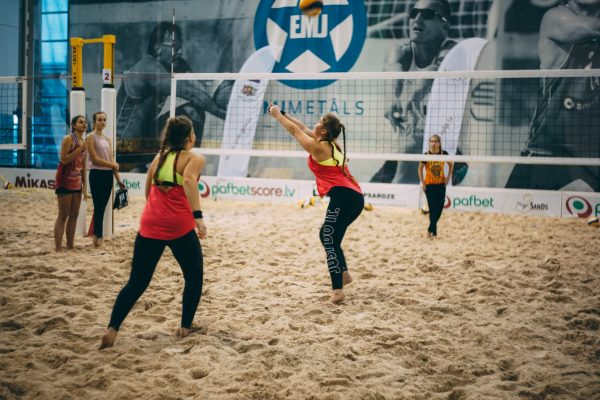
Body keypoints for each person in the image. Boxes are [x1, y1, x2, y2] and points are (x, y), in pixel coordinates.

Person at [100, 116, 207, 349]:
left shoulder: (160, 157)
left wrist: (158, 209)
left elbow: (148, 190)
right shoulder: (195, 158)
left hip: (150, 222)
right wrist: (198, 217)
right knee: (194, 276)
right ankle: (185, 327)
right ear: (189, 137)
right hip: (178, 225)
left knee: (137, 282)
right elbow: (189, 181)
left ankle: (112, 329)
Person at [268, 104, 364, 304]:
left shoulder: (319, 147)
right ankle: (344, 273)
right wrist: (286, 114)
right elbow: (302, 127)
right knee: (329, 236)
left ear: (324, 130)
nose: (316, 123)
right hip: (355, 198)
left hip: (344, 196)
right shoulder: (331, 145)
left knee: (328, 237)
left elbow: (296, 131)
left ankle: (338, 291)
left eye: (320, 122)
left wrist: (277, 115)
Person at [505, 0, 600, 191]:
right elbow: (592, 28)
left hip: (589, 158)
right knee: (507, 210)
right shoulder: (555, 18)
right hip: (548, 154)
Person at [116, 21, 226, 171]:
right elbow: (192, 93)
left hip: (146, 142)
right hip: (125, 148)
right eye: (175, 47)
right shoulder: (148, 67)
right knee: (189, 110)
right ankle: (165, 170)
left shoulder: (174, 65)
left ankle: (182, 169)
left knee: (193, 111)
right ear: (158, 49)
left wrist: (225, 95)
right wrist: (225, 114)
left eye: (180, 47)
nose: (180, 52)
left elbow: (199, 88)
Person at [371, 0, 456, 184]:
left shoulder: (451, 51)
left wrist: (411, 96)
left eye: (428, 14)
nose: (417, 19)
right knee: (375, 191)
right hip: (411, 140)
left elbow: (432, 73)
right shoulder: (402, 51)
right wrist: (393, 98)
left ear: (444, 25)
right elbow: (394, 72)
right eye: (414, 13)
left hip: (444, 146)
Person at [86, 111, 126, 248]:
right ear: (94, 122)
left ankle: (96, 235)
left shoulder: (108, 140)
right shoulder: (90, 137)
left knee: (102, 207)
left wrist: (118, 179)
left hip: (108, 175)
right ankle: (99, 236)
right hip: (96, 174)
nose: (102, 122)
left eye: (104, 120)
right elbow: (95, 159)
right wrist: (113, 165)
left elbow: (111, 160)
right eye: (99, 120)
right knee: (98, 206)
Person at [54, 115, 88, 252]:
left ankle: (70, 245)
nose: (84, 124)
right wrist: (79, 149)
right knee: (63, 215)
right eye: (81, 122)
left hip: (77, 181)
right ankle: (58, 247)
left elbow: (83, 166)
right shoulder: (68, 139)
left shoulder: (84, 142)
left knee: (74, 215)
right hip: (64, 179)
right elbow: (63, 159)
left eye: (85, 122)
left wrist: (85, 186)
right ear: (73, 125)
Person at [418, 134, 453, 238]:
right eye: (432, 141)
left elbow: (451, 165)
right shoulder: (426, 155)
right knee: (433, 209)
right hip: (429, 184)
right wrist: (422, 183)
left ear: (439, 143)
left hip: (441, 184)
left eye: (435, 141)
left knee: (440, 208)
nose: (433, 143)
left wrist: (448, 177)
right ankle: (432, 231)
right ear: (429, 143)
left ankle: (432, 229)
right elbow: (419, 169)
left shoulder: (444, 154)